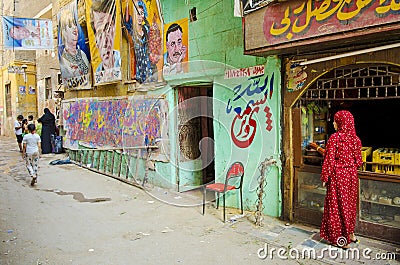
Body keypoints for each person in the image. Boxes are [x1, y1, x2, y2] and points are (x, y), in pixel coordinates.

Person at [320, 110, 363, 249]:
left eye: (335, 120)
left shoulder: (335, 138)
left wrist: (325, 176)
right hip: (351, 176)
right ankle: (350, 234)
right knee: (349, 206)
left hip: (338, 176)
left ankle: (340, 240)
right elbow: (359, 161)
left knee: (336, 207)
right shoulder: (356, 140)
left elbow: (329, 160)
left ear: (341, 123)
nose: (333, 123)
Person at [123, 0, 156, 83]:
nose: (140, 17)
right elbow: (126, 21)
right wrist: (127, 4)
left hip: (148, 66)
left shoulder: (146, 29)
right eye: (138, 14)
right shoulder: (133, 30)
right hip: (139, 67)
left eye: (142, 13)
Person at [59, 8, 90, 81]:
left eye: (75, 25)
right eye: (70, 26)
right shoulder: (63, 59)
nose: (74, 28)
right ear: (64, 32)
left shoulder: (82, 54)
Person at [90, 0, 121, 73]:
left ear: (114, 29)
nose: (105, 43)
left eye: (108, 28)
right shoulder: (97, 72)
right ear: (95, 40)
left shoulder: (122, 62)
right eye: (100, 33)